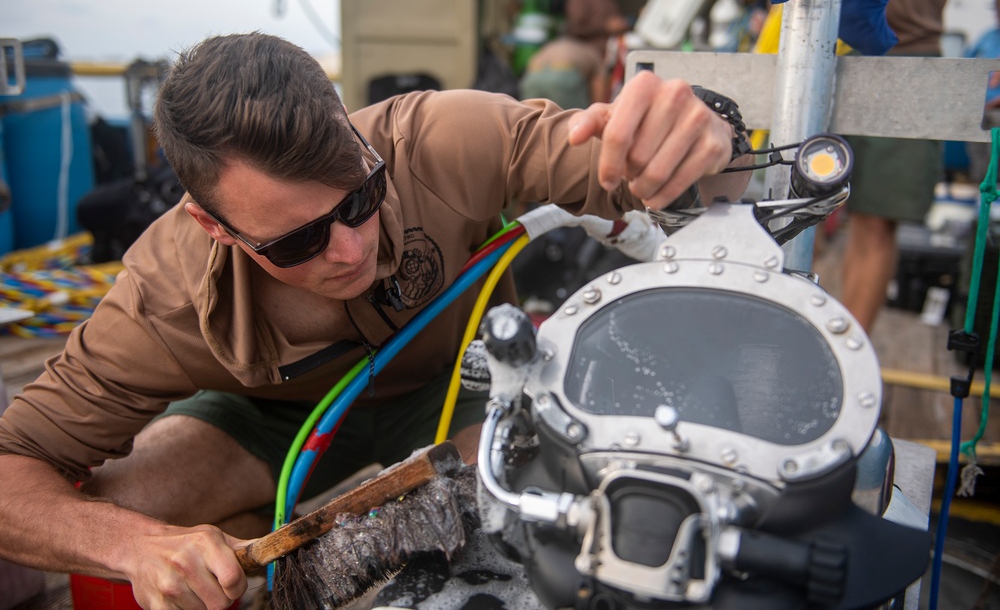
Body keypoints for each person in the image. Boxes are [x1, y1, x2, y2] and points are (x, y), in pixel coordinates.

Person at [0, 32, 750, 609]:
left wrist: (698, 131)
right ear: (214, 224)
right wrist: (134, 545)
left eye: (359, 197)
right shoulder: (159, 298)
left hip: (463, 387)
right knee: (116, 510)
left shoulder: (442, 139)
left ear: (352, 129)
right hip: (266, 422)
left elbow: (657, 169)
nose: (351, 248)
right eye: (297, 241)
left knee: (544, 510)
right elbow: (10, 470)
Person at [840, 0, 1000, 332]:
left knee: (875, 221)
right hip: (812, 47)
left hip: (905, 57)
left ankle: (845, 356)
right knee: (795, 214)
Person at [519, 36, 608, 109]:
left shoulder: (553, 44)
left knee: (533, 123)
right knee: (570, 122)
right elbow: (598, 96)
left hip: (532, 78)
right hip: (562, 77)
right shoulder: (593, 52)